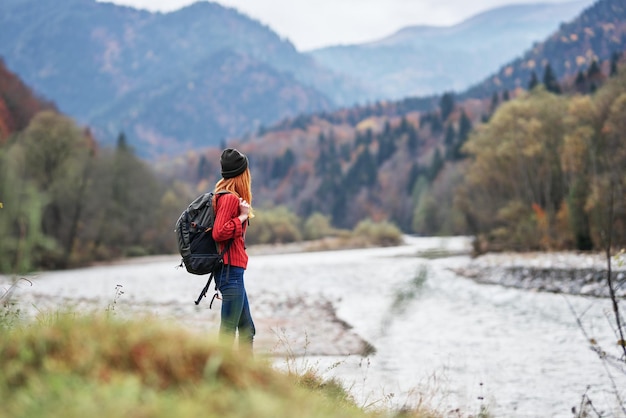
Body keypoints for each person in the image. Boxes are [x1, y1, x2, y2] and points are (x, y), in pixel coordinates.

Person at [212, 148, 255, 352]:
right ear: (241, 174)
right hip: (230, 273)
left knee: (247, 330)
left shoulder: (227, 196)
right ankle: (221, 377)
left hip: (233, 272)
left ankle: (248, 377)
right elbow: (219, 232)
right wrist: (242, 217)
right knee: (228, 331)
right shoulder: (229, 198)